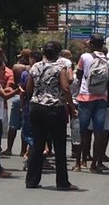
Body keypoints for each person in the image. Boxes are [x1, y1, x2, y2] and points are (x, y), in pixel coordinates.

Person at [24, 40, 78, 190]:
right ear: (58, 53)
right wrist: (72, 108)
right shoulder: (60, 68)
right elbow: (66, 88)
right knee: (59, 145)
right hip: (54, 108)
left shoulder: (35, 66)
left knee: (37, 144)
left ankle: (32, 180)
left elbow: (29, 87)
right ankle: (62, 182)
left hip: (36, 107)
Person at [75, 35, 109, 173]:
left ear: (91, 44)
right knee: (99, 132)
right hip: (101, 98)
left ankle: (79, 163)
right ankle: (94, 164)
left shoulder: (84, 57)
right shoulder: (108, 61)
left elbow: (79, 74)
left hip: (85, 97)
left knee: (82, 131)